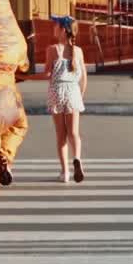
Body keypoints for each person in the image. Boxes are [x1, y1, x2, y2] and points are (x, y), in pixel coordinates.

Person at [46, 16, 87, 182]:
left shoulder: (53, 49)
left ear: (63, 29)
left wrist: (23, 76)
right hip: (73, 92)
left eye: (56, 25)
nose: (53, 28)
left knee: (61, 135)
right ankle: (77, 158)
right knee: (74, 133)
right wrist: (79, 97)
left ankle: (65, 173)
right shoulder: (78, 51)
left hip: (57, 91)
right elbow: (83, 78)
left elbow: (47, 74)